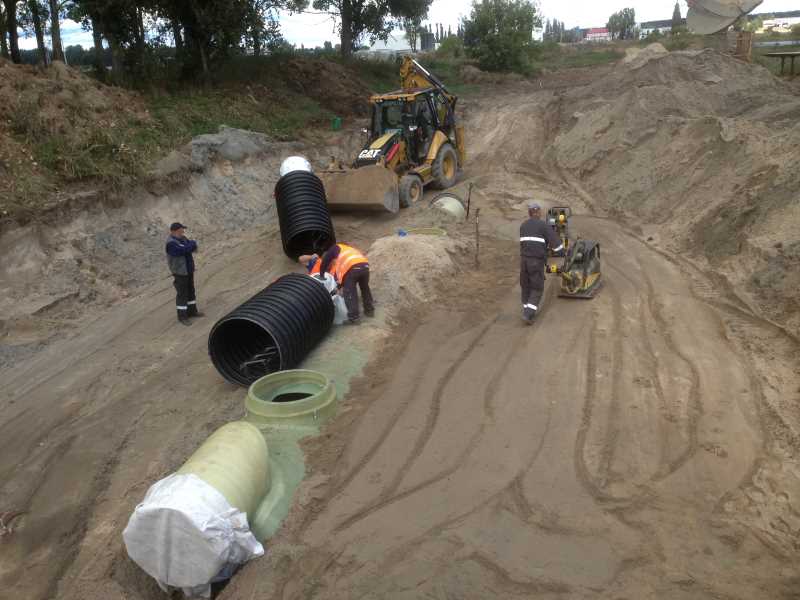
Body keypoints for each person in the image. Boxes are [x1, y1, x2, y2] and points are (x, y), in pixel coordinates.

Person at [299, 243, 374, 324]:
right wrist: (312, 257)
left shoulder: (336, 260)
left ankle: (354, 317)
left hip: (352, 267)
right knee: (364, 288)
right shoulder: (320, 261)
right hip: (364, 265)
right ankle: (369, 310)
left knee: (349, 291)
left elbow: (343, 282)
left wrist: (323, 276)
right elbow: (301, 259)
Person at [520, 202, 564, 323]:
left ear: (529, 213)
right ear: (538, 212)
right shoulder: (543, 225)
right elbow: (556, 243)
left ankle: (526, 308)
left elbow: (524, 244)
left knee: (525, 285)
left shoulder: (523, 226)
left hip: (524, 261)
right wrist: (562, 252)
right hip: (536, 261)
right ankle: (528, 314)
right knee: (537, 288)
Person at [166, 222, 202, 326]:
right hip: (180, 272)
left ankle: (192, 312)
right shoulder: (171, 243)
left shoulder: (183, 239)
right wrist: (191, 245)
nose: (183, 231)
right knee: (182, 294)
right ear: (175, 231)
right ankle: (182, 317)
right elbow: (183, 250)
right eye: (181, 229)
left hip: (188, 270)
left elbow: (192, 246)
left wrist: (190, 245)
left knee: (191, 291)